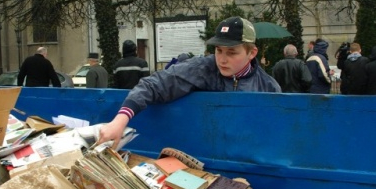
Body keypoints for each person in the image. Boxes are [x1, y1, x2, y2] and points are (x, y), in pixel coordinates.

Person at [96, 16, 280, 149]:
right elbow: (152, 85)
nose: (222, 59)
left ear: (252, 53)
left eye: (231, 53)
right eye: (218, 50)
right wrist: (119, 121)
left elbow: (274, 136)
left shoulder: (269, 88)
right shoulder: (202, 68)